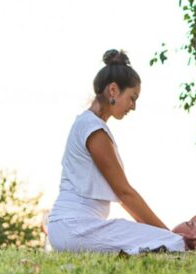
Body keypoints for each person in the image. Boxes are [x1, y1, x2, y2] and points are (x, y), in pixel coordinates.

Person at [46, 50, 185, 254]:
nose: (134, 106)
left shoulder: (88, 124)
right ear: (113, 90)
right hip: (73, 228)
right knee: (173, 243)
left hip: (71, 228)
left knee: (166, 241)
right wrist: (168, 234)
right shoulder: (93, 129)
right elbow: (124, 193)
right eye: (132, 97)